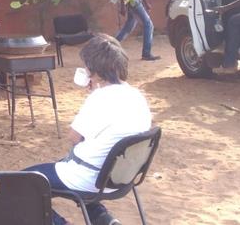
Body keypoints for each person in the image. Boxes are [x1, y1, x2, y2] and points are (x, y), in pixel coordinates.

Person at [24, 34, 152, 225]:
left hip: (90, 178)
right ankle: (104, 219)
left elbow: (74, 137)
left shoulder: (99, 98)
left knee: (22, 185)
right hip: (122, 177)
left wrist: (94, 93)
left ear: (94, 71)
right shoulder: (137, 96)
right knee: (80, 165)